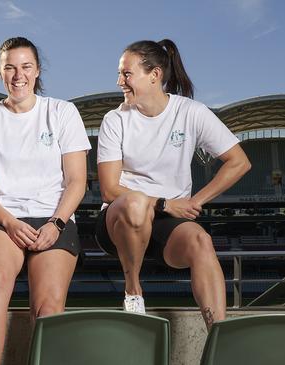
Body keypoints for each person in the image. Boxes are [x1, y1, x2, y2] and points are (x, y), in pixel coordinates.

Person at [96, 39, 251, 330]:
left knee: (201, 242)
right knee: (136, 202)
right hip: (120, 219)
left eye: (126, 74)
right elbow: (109, 189)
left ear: (154, 75)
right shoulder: (115, 120)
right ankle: (133, 291)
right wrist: (165, 202)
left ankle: (219, 336)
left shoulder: (191, 112)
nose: (119, 81)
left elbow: (239, 162)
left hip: (167, 221)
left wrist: (195, 202)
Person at [0, 37, 91, 363]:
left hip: (54, 217)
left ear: (37, 71)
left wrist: (57, 222)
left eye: (26, 67)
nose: (18, 75)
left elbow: (77, 181)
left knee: (46, 308)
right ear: (0, 73)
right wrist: (8, 220)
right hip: (1, 217)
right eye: (10, 67)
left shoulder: (62, 112)